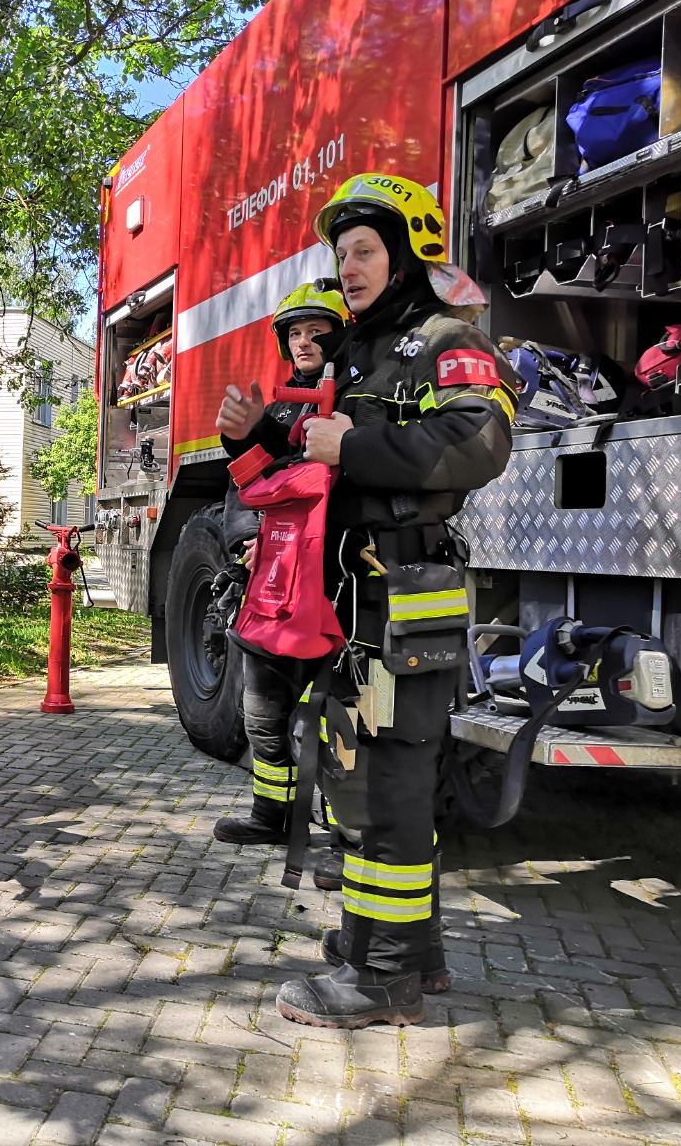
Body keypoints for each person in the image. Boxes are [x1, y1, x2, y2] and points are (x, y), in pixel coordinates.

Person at [253, 174, 515, 1029]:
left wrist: (355, 444)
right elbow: (308, 449)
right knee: (367, 771)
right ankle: (405, 948)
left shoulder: (446, 340)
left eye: (365, 250)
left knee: (388, 783)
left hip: (405, 596)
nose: (350, 266)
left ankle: (384, 975)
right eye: (341, 253)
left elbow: (479, 439)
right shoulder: (361, 350)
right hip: (358, 599)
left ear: (407, 252)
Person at [214, 284, 352, 890]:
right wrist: (245, 540)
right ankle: (272, 815)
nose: (305, 342)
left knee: (339, 718)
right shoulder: (282, 413)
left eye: (317, 331)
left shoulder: (355, 400)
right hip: (274, 585)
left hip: (334, 584)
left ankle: (350, 833)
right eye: (295, 333)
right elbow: (246, 488)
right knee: (262, 709)